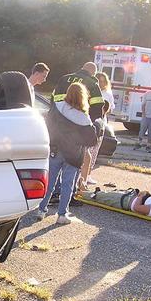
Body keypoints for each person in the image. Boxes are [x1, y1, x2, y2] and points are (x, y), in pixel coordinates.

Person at [36, 83, 100, 224]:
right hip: (73, 155)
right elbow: (91, 141)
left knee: (50, 182)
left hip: (55, 150)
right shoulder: (83, 118)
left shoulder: (56, 107)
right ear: (83, 97)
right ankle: (62, 214)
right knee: (67, 185)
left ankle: (41, 209)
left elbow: (47, 125)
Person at [49, 62, 105, 202]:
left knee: (55, 166)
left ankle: (52, 194)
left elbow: (52, 101)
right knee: (73, 164)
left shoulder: (64, 78)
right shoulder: (92, 83)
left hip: (59, 128)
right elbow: (98, 109)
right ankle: (68, 197)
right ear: (92, 73)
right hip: (78, 131)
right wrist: (90, 127)